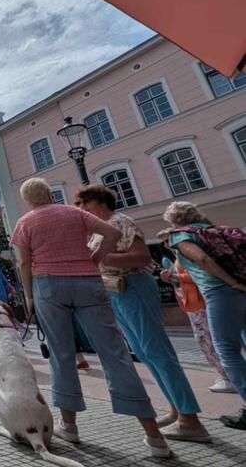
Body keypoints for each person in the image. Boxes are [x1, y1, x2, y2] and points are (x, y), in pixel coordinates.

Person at [11, 178, 170, 458]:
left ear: (27, 201)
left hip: (47, 285)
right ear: (49, 194)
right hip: (87, 280)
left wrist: (29, 296)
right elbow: (112, 233)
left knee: (61, 354)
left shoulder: (25, 222)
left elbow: (24, 261)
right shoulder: (75, 213)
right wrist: (95, 258)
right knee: (115, 352)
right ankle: (154, 436)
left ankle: (69, 426)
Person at [76, 185, 209, 442]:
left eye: (84, 203)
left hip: (133, 285)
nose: (81, 209)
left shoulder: (119, 221)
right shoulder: (100, 230)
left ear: (100, 201)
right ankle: (177, 408)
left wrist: (100, 258)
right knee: (144, 352)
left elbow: (141, 256)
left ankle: (190, 420)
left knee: (157, 351)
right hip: (117, 290)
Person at [164, 201, 246, 430]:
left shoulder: (181, 235)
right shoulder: (217, 230)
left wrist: (231, 282)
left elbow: (202, 259)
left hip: (219, 291)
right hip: (243, 289)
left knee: (227, 350)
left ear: (173, 219)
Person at [157, 232, 234, 394]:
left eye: (167, 240)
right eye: (163, 242)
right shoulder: (179, 256)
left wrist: (175, 276)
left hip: (201, 303)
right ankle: (226, 375)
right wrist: (172, 278)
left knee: (208, 339)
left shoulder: (188, 253)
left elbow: (199, 275)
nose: (166, 245)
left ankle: (229, 376)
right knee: (206, 340)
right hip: (194, 304)